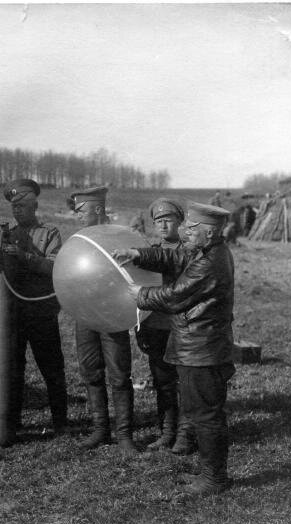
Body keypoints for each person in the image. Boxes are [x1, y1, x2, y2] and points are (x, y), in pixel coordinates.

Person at [113, 202, 235, 495]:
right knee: (199, 410)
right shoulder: (203, 250)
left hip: (202, 348)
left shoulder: (210, 262)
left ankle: (214, 479)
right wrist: (137, 254)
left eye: (192, 228)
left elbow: (175, 297)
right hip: (197, 344)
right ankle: (210, 472)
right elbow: (172, 256)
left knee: (206, 414)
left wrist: (140, 294)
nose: (185, 231)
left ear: (210, 232)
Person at [67, 186, 140, 453]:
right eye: (76, 211)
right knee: (90, 371)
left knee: (119, 375)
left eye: (81, 210)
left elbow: (131, 274)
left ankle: (124, 435)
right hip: (84, 314)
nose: (77, 216)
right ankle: (101, 429)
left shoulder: (116, 237)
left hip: (111, 314)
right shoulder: (77, 240)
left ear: (97, 209)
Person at [1, 179, 68, 435]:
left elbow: (54, 266)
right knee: (14, 368)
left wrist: (23, 256)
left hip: (41, 311)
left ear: (35, 206)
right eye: (14, 208)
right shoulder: (9, 234)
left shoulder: (49, 233)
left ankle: (60, 421)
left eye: (23, 207)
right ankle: (14, 421)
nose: (18, 211)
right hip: (16, 313)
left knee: (52, 367)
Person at [135, 198, 194, 454]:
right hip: (156, 325)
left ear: (180, 222)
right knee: (162, 382)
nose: (163, 225)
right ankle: (166, 432)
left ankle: (185, 435)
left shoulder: (191, 250)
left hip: (182, 325)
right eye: (158, 221)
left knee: (185, 382)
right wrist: (138, 324)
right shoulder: (150, 250)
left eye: (168, 220)